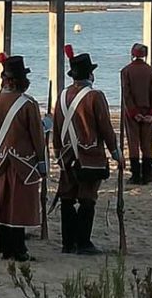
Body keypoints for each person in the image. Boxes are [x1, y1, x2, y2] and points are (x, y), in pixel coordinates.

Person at [53, 45, 124, 255]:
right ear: (90, 74)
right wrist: (116, 152)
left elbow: (57, 126)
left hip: (67, 156)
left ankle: (68, 243)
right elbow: (105, 127)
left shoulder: (63, 95)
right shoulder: (96, 96)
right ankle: (83, 242)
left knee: (67, 198)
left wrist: (58, 152)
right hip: (89, 156)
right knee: (87, 198)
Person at [0, 53, 45, 261]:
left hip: (1, 160)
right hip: (24, 163)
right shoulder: (28, 104)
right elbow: (37, 136)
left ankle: (4, 247)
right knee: (18, 207)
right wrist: (41, 161)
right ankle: (19, 250)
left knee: (2, 205)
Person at [120, 43, 152, 184]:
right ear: (145, 55)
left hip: (132, 112)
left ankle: (136, 175)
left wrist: (133, 112)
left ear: (132, 54)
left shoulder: (126, 71)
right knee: (147, 144)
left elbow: (126, 94)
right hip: (148, 109)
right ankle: (146, 175)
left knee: (133, 143)